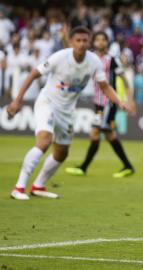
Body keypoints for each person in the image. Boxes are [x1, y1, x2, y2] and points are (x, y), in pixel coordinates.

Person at [7, 26, 131, 200]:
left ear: (89, 42)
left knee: (61, 153)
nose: (81, 44)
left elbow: (104, 86)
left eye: (84, 41)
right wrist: (17, 100)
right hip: (47, 103)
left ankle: (38, 186)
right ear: (72, 42)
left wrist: (119, 102)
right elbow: (33, 74)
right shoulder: (59, 57)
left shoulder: (93, 61)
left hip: (66, 111)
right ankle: (19, 187)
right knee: (44, 141)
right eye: (78, 41)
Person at [65, 31, 136, 178]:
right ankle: (127, 166)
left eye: (103, 39)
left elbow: (125, 80)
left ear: (107, 42)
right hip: (98, 103)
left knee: (96, 133)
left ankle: (84, 167)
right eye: (97, 39)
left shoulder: (112, 60)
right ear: (93, 42)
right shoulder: (89, 58)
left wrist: (130, 100)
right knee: (109, 135)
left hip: (109, 102)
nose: (100, 42)